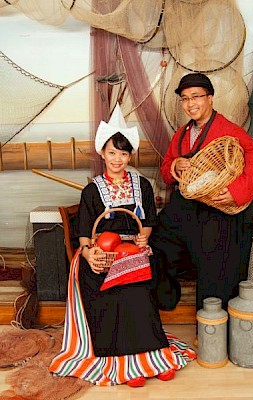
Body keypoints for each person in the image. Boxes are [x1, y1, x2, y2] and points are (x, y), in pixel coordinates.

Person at [49, 103, 196, 387]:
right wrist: (90, 252)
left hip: (133, 248)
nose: (117, 159)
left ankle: (153, 354)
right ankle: (123, 360)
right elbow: (83, 231)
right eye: (112, 152)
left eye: (123, 153)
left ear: (131, 154)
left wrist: (144, 236)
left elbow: (150, 218)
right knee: (104, 276)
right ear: (102, 153)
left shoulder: (142, 185)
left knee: (141, 273)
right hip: (102, 250)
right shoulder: (93, 190)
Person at [150, 73, 253, 315]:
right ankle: (167, 297)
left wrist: (236, 191)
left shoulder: (227, 129)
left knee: (215, 256)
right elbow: (166, 169)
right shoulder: (182, 134)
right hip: (188, 208)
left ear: (210, 98)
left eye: (196, 97)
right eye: (184, 99)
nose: (190, 104)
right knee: (157, 238)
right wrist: (176, 166)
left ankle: (212, 320)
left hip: (217, 209)